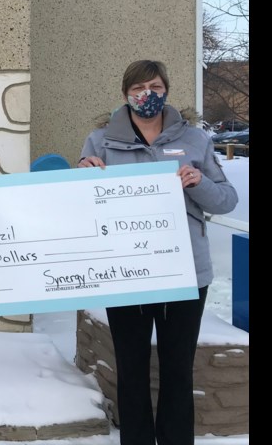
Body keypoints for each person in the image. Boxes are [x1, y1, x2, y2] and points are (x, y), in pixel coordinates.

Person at [77, 60, 238, 445]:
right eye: (138, 88)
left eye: (154, 86)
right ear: (125, 94)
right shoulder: (100, 140)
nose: (146, 94)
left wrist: (197, 182)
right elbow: (80, 206)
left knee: (177, 371)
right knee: (131, 372)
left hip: (185, 273)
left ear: (166, 90)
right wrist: (81, 176)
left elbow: (227, 200)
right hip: (127, 273)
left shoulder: (196, 140)